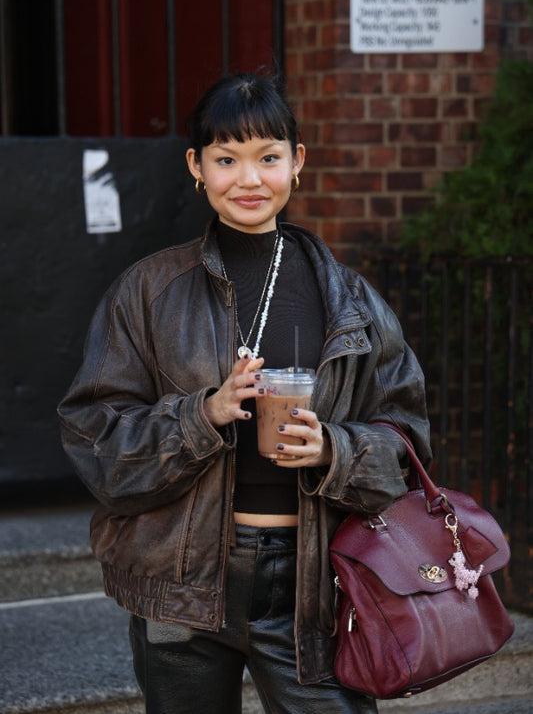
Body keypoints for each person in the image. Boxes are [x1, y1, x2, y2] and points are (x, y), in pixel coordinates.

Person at [58, 71, 431, 714]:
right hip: (179, 582)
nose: (249, 179)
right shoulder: (148, 292)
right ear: (196, 167)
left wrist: (333, 450)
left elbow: (407, 443)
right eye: (226, 159)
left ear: (298, 162)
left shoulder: (350, 299)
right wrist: (204, 415)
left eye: (268, 157)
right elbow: (94, 436)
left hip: (312, 584)